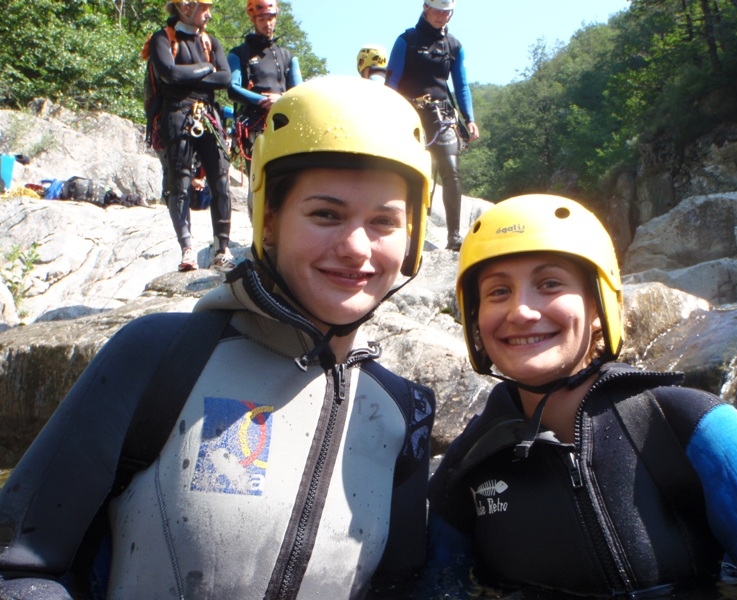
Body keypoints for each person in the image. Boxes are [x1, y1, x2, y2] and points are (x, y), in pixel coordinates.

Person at [0, 76, 436, 599]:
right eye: (326, 214)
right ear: (268, 221)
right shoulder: (158, 353)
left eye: (385, 222)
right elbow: (21, 563)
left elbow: (400, 586)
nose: (356, 248)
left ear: (411, 240)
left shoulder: (404, 410)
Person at [425, 194, 737, 597]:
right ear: (476, 319)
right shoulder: (466, 465)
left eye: (550, 284)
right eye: (498, 291)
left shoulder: (692, 426)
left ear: (598, 304)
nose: (521, 311)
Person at [386, 0, 479, 251]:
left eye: (446, 12)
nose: (441, 16)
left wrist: (469, 119)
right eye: (437, 10)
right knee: (408, 172)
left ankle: (454, 236)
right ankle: (399, 228)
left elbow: (461, 85)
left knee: (451, 171)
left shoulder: (454, 46)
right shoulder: (407, 40)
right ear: (425, 9)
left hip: (442, 115)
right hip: (407, 114)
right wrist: (386, 112)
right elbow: (391, 79)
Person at [149, 0, 234, 272]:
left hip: (207, 113)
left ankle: (222, 248)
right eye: (204, 7)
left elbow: (226, 79)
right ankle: (187, 248)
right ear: (186, 8)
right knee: (181, 182)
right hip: (176, 113)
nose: (208, 14)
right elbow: (168, 74)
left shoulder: (210, 41)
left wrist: (190, 76)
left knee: (220, 180)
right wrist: (206, 69)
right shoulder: (162, 39)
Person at [228, 0, 302, 220]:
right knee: (257, 178)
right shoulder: (239, 53)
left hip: (282, 122)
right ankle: (257, 231)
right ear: (253, 20)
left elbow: (298, 90)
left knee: (286, 178)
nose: (267, 23)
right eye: (262, 19)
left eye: (270, 18)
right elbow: (233, 88)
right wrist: (262, 100)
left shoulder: (288, 56)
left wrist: (280, 99)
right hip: (254, 124)